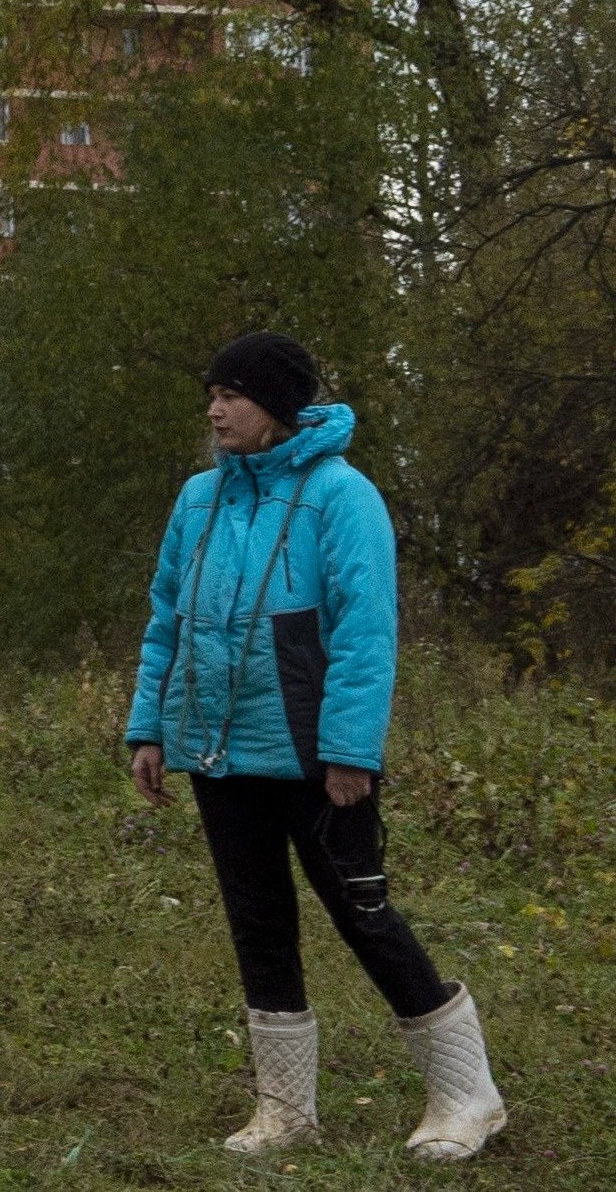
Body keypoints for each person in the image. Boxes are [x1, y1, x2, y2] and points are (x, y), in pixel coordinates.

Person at [124, 331, 504, 1160]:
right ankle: (285, 1110)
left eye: (233, 394)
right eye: (211, 393)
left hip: (313, 758)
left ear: (279, 407)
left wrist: (349, 752)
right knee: (257, 924)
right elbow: (166, 619)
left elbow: (366, 636)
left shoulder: (342, 495)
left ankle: (466, 1095)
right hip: (218, 756)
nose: (215, 409)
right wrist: (149, 727)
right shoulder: (197, 499)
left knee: (363, 915)